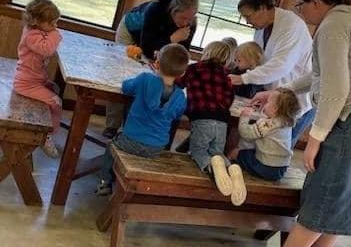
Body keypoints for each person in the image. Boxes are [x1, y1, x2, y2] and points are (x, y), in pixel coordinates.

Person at [240, 0, 351, 247]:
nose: (300, 11)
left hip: (346, 123)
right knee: (343, 196)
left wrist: (314, 139)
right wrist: (280, 91)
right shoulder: (345, 19)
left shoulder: (333, 25)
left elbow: (335, 88)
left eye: (302, 4)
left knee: (324, 192)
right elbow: (319, 74)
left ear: (316, 3)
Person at [104, 0, 198, 139]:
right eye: (183, 18)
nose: (187, 22)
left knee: (152, 78)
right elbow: (147, 47)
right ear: (172, 11)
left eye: (191, 18)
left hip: (158, 43)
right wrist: (172, 39)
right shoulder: (155, 9)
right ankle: (112, 125)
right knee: (122, 73)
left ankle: (133, 126)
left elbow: (179, 53)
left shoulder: (190, 23)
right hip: (131, 31)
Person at [96, 43, 189, 195]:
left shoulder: (145, 79)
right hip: (157, 147)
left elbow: (126, 87)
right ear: (182, 73)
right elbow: (177, 115)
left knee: (111, 147)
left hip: (130, 140)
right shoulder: (180, 97)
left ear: (156, 64)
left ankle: (104, 182)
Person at [229, 0, 313, 148]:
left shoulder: (291, 25)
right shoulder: (261, 30)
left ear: (262, 8)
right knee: (259, 146)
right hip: (272, 95)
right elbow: (260, 59)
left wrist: (243, 79)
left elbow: (281, 65)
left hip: (296, 98)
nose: (247, 21)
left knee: (277, 149)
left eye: (248, 16)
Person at [175, 41, 246, 205]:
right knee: (217, 153)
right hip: (222, 121)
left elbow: (178, 84)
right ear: (227, 60)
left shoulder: (194, 69)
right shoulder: (226, 77)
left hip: (201, 118)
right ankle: (230, 168)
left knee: (198, 151)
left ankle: (209, 167)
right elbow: (229, 99)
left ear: (206, 52)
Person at [14, 0, 62, 158]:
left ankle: (47, 129)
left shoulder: (37, 30)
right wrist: (55, 34)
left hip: (34, 79)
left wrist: (51, 31)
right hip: (26, 83)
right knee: (56, 101)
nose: (55, 26)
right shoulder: (31, 35)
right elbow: (47, 49)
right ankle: (46, 136)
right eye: (52, 23)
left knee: (54, 88)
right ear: (36, 20)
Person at [232, 88, 300, 182]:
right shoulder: (286, 122)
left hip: (266, 167)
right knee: (250, 150)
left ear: (275, 109)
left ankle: (228, 173)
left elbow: (245, 133)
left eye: (267, 102)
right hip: (281, 168)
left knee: (235, 152)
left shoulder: (268, 125)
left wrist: (245, 116)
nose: (265, 104)